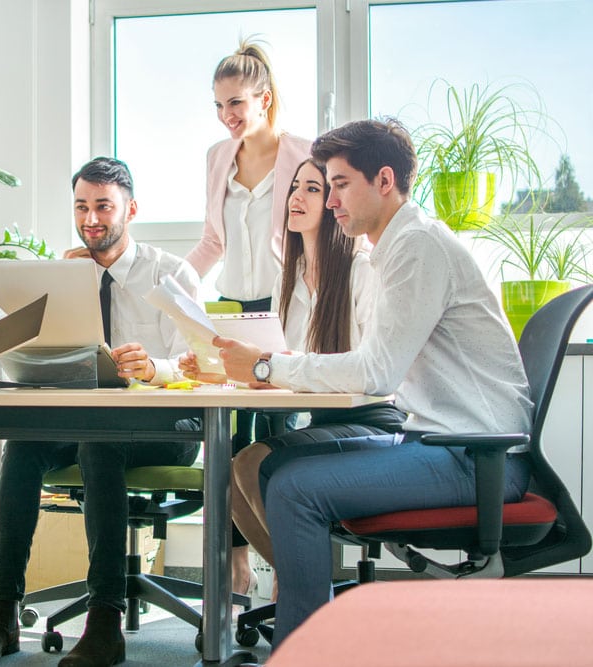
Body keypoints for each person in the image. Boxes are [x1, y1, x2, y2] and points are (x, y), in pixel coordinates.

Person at [187, 118, 533, 648]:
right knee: (271, 465)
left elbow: (376, 372)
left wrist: (265, 367)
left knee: (296, 487)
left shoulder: (416, 248)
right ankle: (317, 636)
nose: (330, 201)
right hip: (438, 441)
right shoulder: (397, 246)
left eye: (340, 184)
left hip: (477, 455)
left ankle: (305, 650)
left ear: (385, 180)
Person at [0, 157, 201, 667]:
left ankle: (104, 620)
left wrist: (152, 366)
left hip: (164, 424)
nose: (91, 219)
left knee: (99, 441)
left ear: (131, 210)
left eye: (103, 207)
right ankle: (2, 611)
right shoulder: (67, 272)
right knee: (24, 446)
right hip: (86, 416)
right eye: (81, 206)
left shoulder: (171, 271)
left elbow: (198, 363)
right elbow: (47, 354)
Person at [226, 158, 406, 584]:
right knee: (230, 475)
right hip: (321, 421)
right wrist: (236, 369)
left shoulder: (361, 272)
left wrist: (276, 367)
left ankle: (301, 593)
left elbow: (370, 371)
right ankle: (303, 589)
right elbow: (282, 363)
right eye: (295, 187)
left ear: (333, 204)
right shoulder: (286, 280)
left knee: (252, 463)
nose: (295, 197)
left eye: (311, 188)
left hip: (370, 422)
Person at [184, 39, 313, 594]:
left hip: (284, 312)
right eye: (218, 106)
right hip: (233, 310)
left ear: (265, 99)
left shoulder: (304, 153)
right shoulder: (218, 157)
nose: (226, 116)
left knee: (278, 436)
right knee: (227, 437)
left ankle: (288, 564)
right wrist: (174, 285)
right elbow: (213, 241)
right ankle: (236, 564)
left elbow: (314, 239)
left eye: (235, 103)